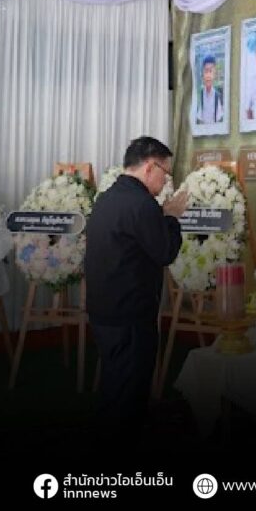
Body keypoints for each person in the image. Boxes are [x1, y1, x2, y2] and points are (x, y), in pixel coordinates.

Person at [86, 137, 189, 445]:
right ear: (149, 167)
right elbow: (165, 252)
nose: (166, 181)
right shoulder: (142, 204)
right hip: (130, 314)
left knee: (115, 384)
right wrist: (171, 217)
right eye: (165, 173)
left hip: (104, 310)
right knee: (129, 394)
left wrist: (162, 215)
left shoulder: (108, 197)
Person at [195, 54, 224, 124]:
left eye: (210, 71)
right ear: (203, 74)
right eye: (206, 71)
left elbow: (219, 119)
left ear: (214, 74)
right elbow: (199, 118)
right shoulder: (200, 94)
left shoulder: (217, 96)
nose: (208, 75)